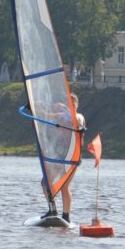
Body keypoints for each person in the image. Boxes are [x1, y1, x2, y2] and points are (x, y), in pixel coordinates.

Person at [41, 94, 87, 223]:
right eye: (69, 104)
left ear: (77, 105)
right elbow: (47, 116)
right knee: (45, 183)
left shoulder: (79, 117)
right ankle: (52, 209)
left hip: (72, 155)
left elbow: (73, 120)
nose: (71, 107)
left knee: (64, 186)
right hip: (58, 154)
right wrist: (37, 109)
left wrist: (63, 109)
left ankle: (66, 216)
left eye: (74, 104)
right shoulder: (62, 115)